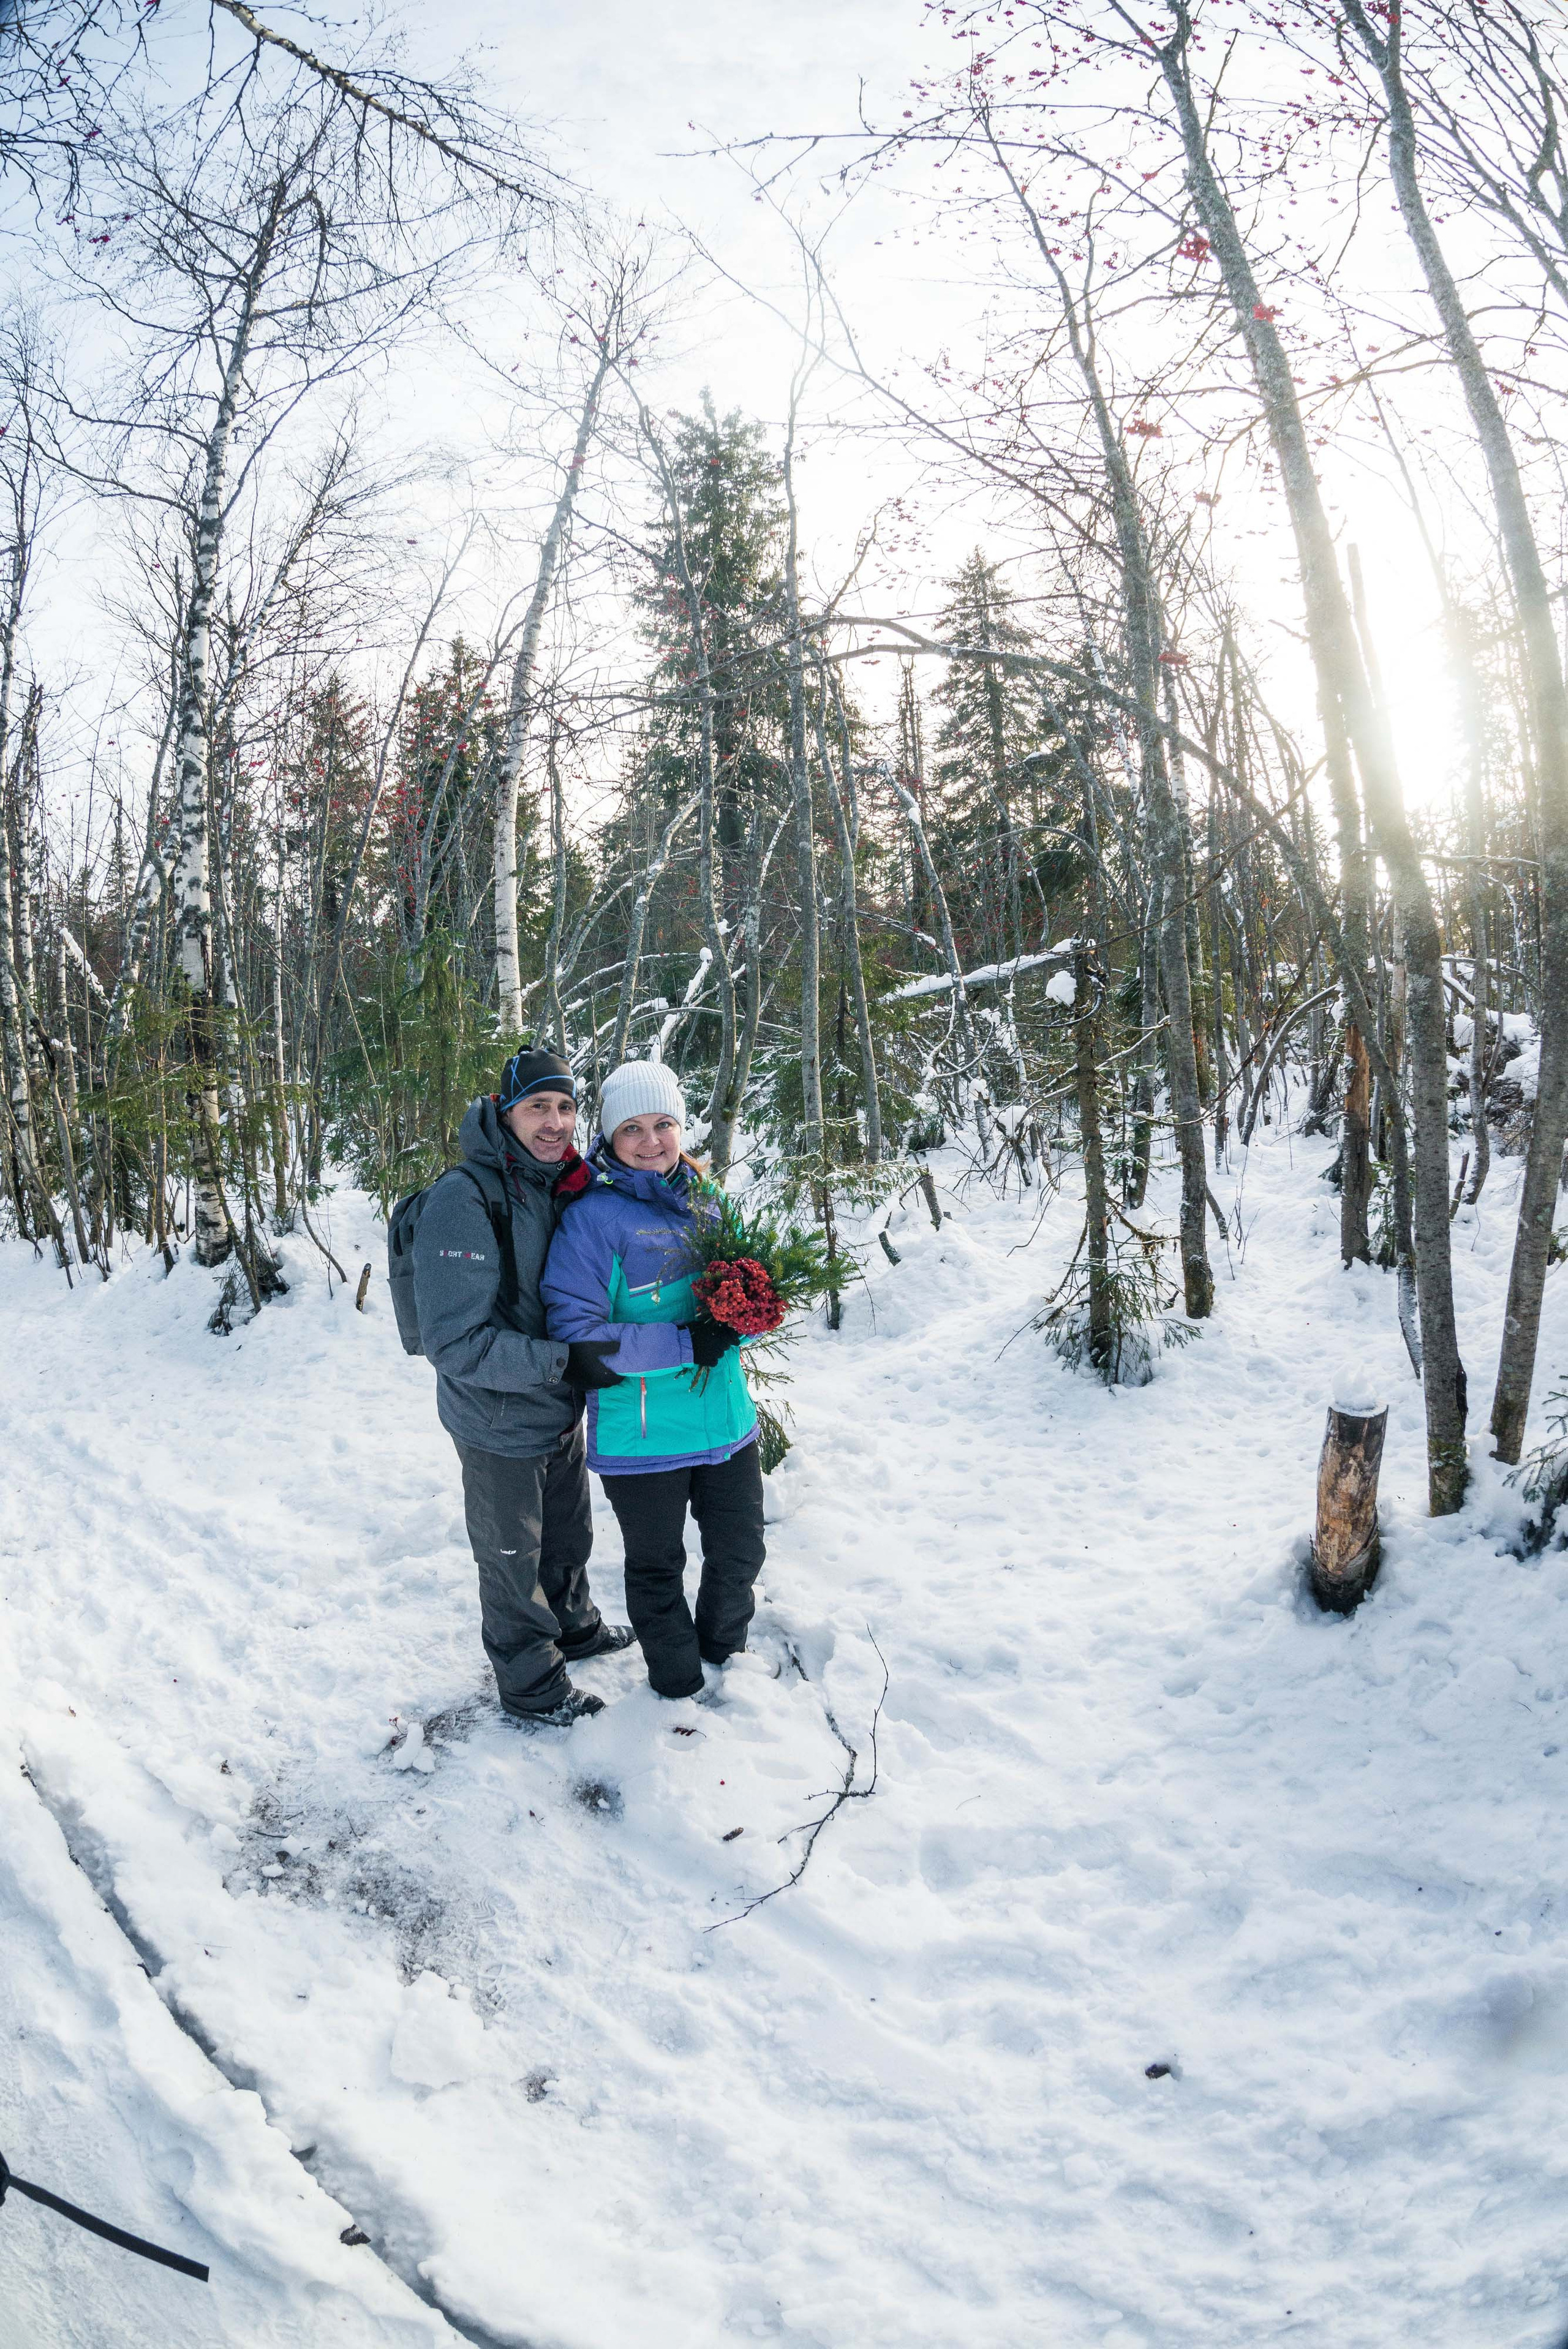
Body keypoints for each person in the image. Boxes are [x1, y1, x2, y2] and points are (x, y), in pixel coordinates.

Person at [411, 1046, 636, 1728]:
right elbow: (453, 1343)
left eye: (566, 1106)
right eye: (538, 1106)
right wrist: (564, 1361)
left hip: (555, 1407)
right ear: (503, 1112)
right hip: (495, 1416)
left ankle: (573, 1627)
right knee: (513, 1556)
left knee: (567, 1536)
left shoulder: (556, 1181)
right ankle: (532, 1683)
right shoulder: (463, 1198)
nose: (555, 1121)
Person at [540, 1060, 767, 1703]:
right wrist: (687, 1341)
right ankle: (677, 1684)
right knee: (657, 1565)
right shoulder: (590, 1220)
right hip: (642, 1439)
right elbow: (579, 1340)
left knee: (740, 1552)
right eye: (632, 1128)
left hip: (725, 1421)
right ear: (609, 1138)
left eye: (663, 1124)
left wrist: (750, 1316)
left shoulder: (707, 1200)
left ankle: (726, 1656)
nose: (650, 1141)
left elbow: (740, 1300)